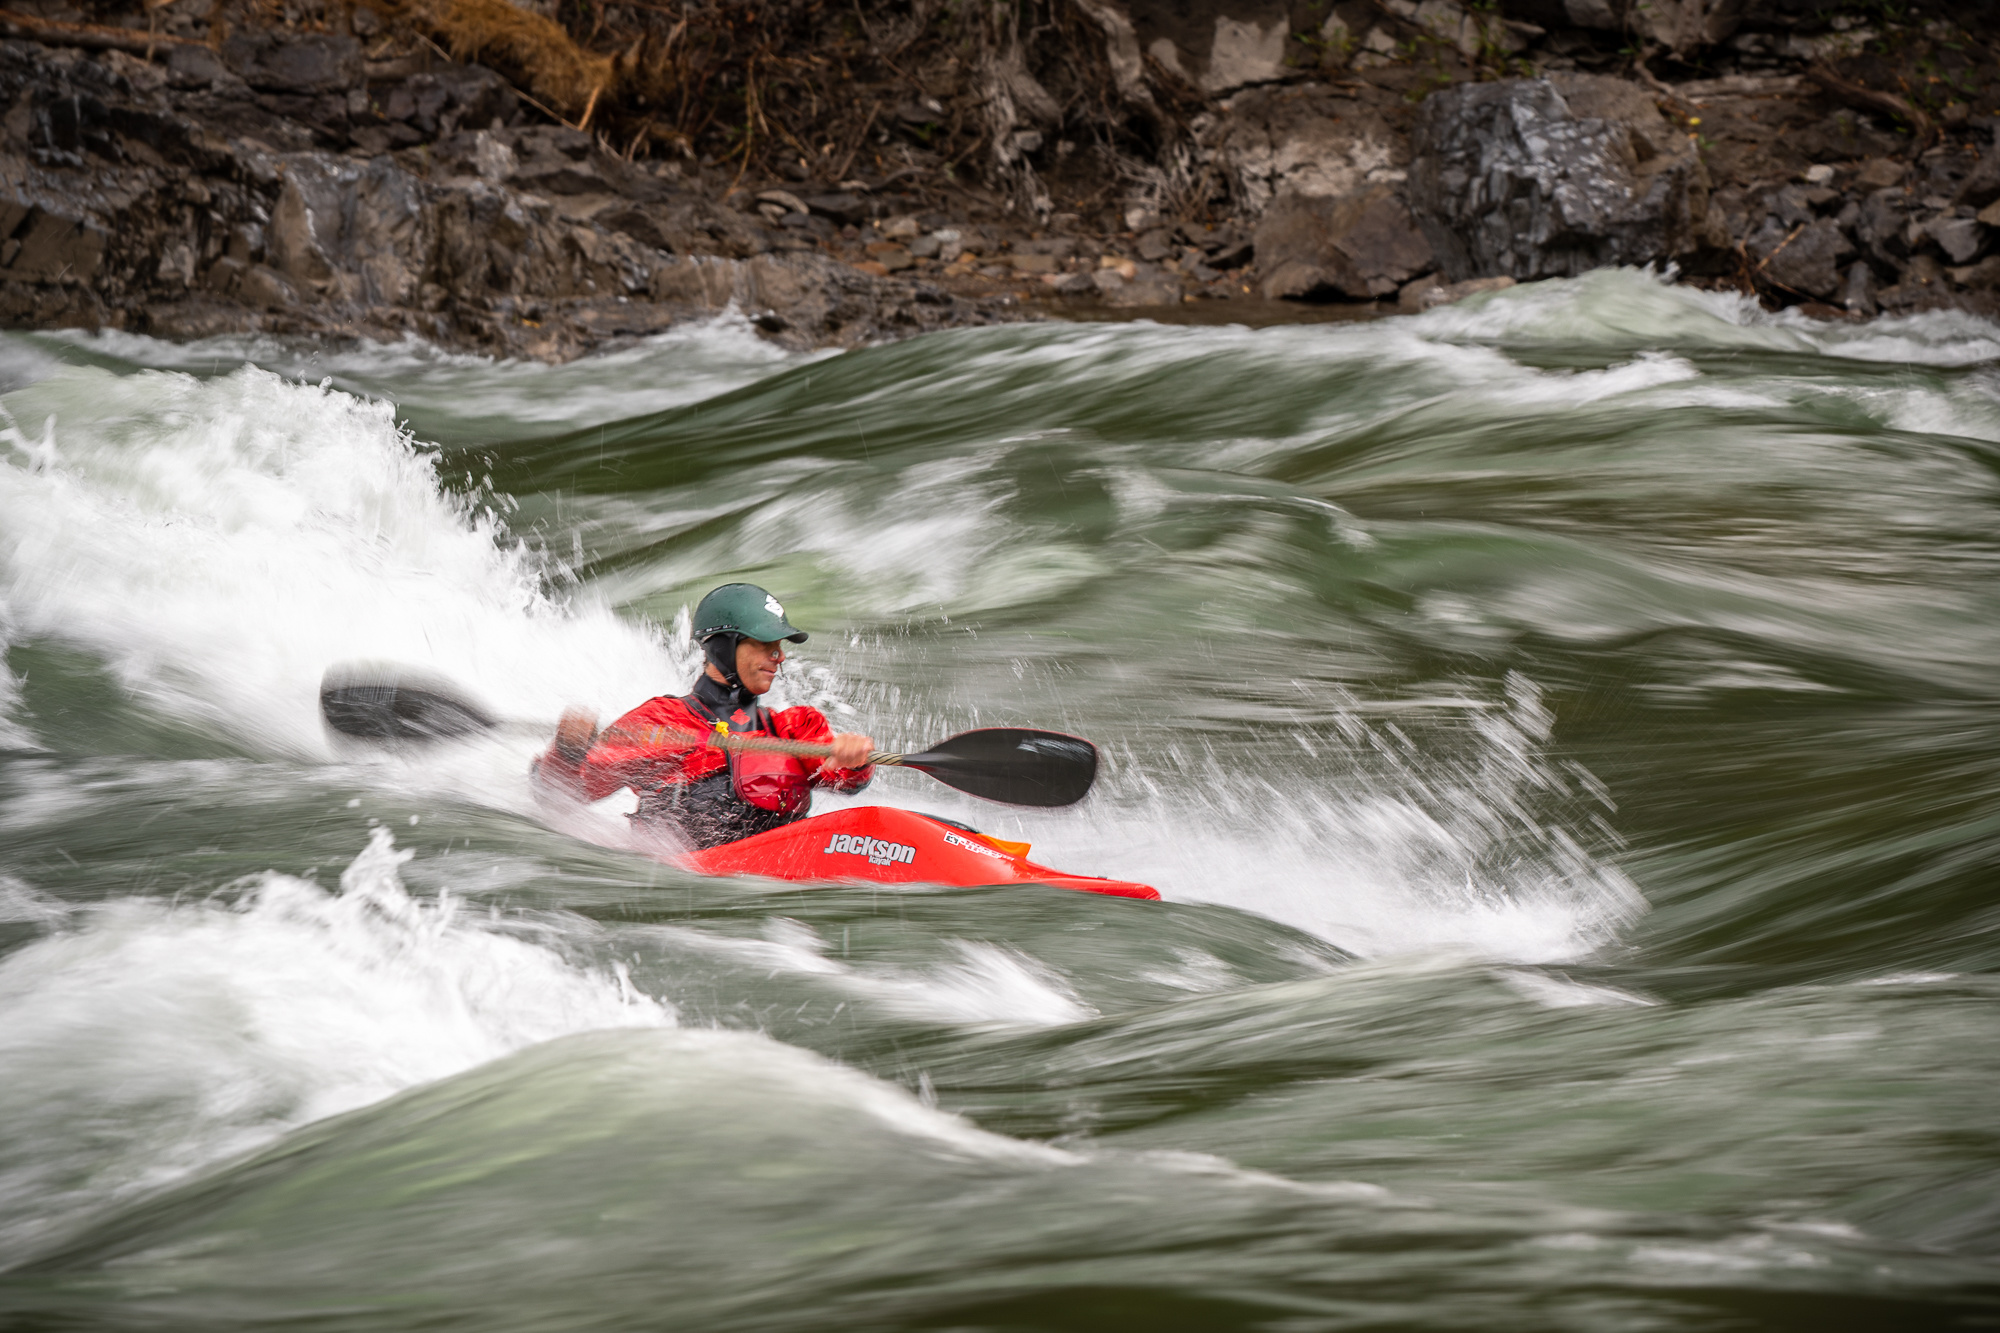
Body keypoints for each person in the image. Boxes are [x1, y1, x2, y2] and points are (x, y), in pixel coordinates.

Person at [534, 583, 876, 849]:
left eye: (780, 645)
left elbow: (844, 779)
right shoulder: (663, 722)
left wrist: (854, 759)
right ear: (723, 645)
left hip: (768, 888)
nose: (779, 655)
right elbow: (566, 794)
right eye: (763, 642)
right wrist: (567, 752)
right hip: (681, 887)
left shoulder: (791, 730)